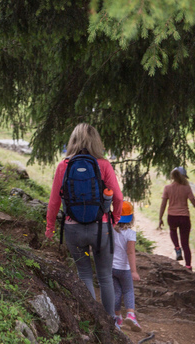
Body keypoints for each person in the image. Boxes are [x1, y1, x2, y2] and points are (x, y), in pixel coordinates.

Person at [46, 123, 124, 317]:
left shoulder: (63, 166)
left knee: (85, 274)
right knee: (105, 277)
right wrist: (114, 219)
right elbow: (119, 198)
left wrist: (50, 228)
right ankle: (111, 322)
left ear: (72, 141)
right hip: (101, 229)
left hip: (73, 230)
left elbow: (54, 201)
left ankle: (95, 320)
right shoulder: (104, 165)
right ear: (96, 142)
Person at [157, 166, 195, 270]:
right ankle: (188, 266)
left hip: (172, 216)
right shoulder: (186, 188)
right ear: (183, 177)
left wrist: (160, 218)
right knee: (185, 243)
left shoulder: (167, 188)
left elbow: (163, 205)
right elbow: (194, 203)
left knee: (173, 231)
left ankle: (177, 248)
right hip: (184, 217)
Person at [112, 201, 141, 331]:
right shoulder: (130, 234)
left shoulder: (110, 230)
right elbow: (130, 252)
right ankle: (130, 314)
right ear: (131, 217)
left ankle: (117, 317)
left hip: (111, 268)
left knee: (117, 292)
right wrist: (134, 271)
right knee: (128, 290)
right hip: (124, 269)